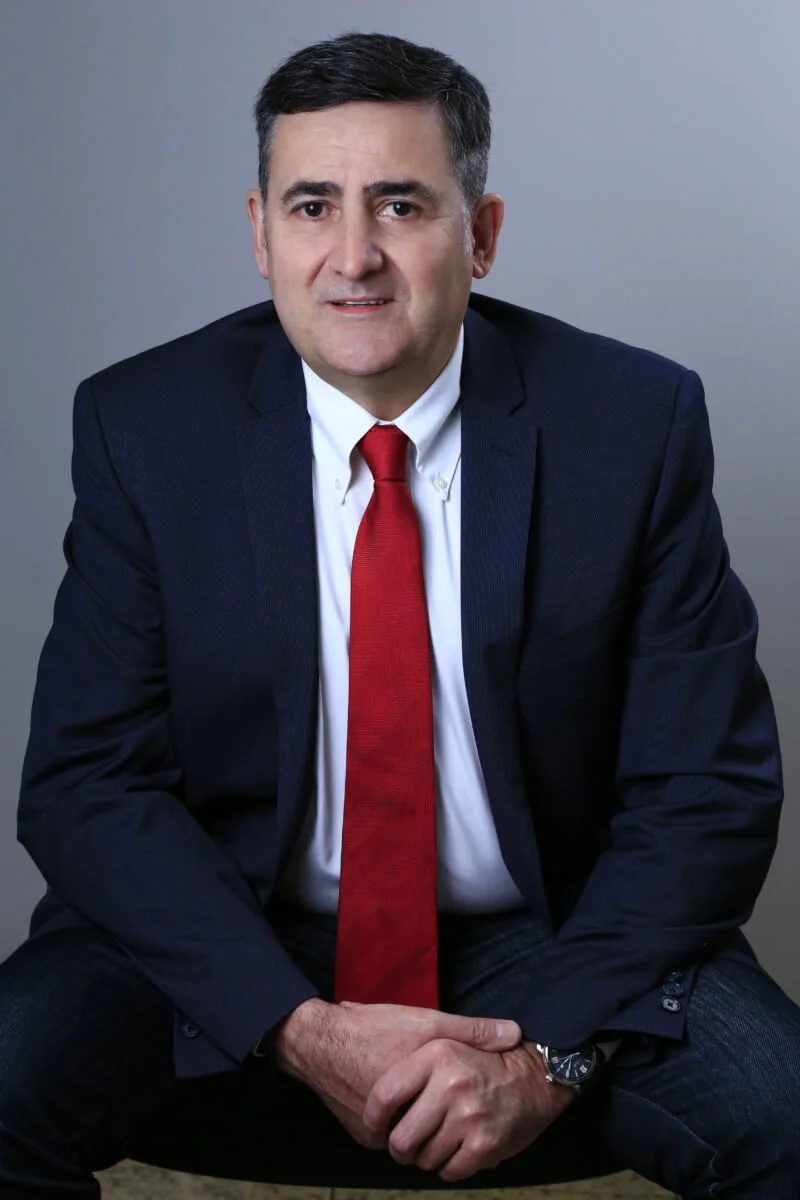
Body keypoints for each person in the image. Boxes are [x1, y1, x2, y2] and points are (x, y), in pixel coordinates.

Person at [1, 29, 798, 1200]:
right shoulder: (146, 428)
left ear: (481, 236)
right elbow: (86, 782)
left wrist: (541, 1054)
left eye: (401, 205)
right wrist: (295, 1024)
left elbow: (706, 788)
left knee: (784, 1115)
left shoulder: (629, 423)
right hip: (234, 930)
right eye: (311, 207)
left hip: (544, 932)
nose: (353, 257)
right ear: (260, 233)